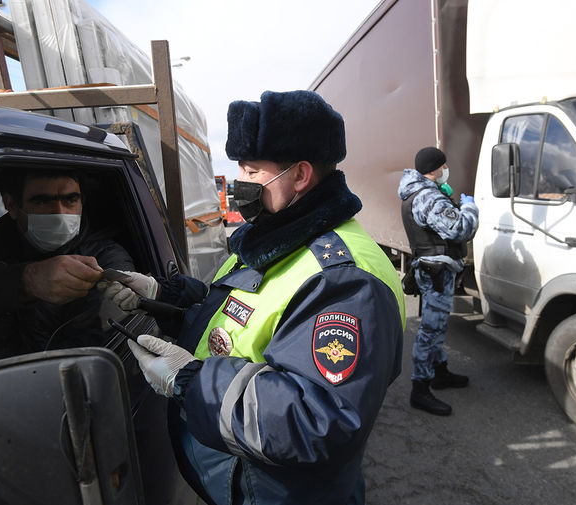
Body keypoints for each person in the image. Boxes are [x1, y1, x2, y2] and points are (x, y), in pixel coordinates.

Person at [103, 90, 405, 505]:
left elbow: (318, 418)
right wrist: (162, 296)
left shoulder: (344, 279)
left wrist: (191, 381)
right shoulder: (272, 238)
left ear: (299, 176)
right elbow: (233, 316)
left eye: (251, 170)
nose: (240, 183)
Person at [0, 168, 136, 375]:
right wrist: (22, 281)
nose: (60, 212)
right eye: (42, 201)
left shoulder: (105, 259)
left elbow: (91, 357)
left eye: (70, 199)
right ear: (12, 205)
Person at [398, 146, 479, 416]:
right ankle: (420, 389)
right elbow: (459, 229)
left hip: (433, 269)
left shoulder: (419, 192)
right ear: (436, 169)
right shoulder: (428, 198)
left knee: (437, 325)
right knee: (430, 331)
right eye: (443, 166)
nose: (446, 170)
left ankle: (440, 372)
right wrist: (469, 209)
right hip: (436, 272)